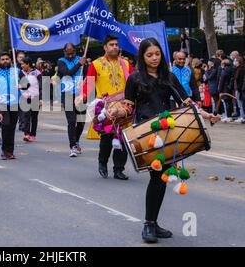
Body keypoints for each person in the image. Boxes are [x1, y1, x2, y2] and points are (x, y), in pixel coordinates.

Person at [108, 38, 218, 243]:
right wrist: (116, 109)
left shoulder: (169, 77)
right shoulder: (134, 78)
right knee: (157, 177)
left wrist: (206, 115)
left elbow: (187, 104)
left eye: (157, 54)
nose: (154, 58)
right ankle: (149, 225)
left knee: (160, 179)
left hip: (168, 132)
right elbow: (129, 106)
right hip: (146, 134)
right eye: (149, 55)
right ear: (142, 56)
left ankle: (153, 223)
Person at [79, 34, 133, 180]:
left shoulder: (126, 64)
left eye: (116, 44)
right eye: (111, 44)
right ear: (105, 47)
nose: (115, 47)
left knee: (123, 139)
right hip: (105, 109)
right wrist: (82, 96)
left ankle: (118, 169)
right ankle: (102, 163)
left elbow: (134, 82)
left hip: (123, 108)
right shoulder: (96, 64)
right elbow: (89, 84)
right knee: (107, 139)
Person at [57, 43, 87, 158]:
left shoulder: (82, 59)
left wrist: (85, 66)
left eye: (72, 53)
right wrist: (79, 64)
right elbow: (67, 73)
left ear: (75, 51)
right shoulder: (61, 61)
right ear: (64, 52)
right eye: (67, 53)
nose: (70, 55)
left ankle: (76, 140)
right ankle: (73, 146)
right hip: (68, 94)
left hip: (80, 94)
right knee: (71, 121)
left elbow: (88, 73)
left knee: (81, 120)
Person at [0, 52, 21, 160]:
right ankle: (4, 151)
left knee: (12, 128)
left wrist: (21, 84)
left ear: (11, 60)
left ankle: (10, 151)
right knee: (5, 126)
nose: (5, 61)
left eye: (7, 59)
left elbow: (26, 84)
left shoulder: (17, 72)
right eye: (3, 59)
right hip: (2, 104)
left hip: (15, 104)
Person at [19, 56, 42, 142]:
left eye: (23, 64)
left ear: (28, 64)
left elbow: (41, 86)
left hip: (35, 97)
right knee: (26, 116)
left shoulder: (37, 73)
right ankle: (26, 134)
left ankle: (33, 134)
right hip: (25, 97)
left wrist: (40, 98)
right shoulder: (21, 73)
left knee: (34, 117)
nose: (22, 66)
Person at [234, 56, 245, 123]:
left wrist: (240, 88)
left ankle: (243, 117)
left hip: (240, 89)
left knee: (241, 104)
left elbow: (241, 80)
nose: (235, 62)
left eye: (236, 61)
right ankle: (242, 116)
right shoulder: (236, 69)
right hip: (237, 89)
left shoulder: (242, 69)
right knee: (239, 104)